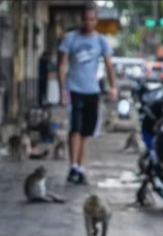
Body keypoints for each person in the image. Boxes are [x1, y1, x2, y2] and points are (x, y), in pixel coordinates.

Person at [58, 2, 117, 185]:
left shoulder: (101, 41)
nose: (88, 23)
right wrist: (62, 90)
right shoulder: (70, 38)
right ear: (81, 19)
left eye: (92, 19)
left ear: (96, 20)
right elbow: (62, 65)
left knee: (86, 132)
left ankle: (81, 167)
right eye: (85, 19)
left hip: (93, 91)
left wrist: (113, 86)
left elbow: (108, 65)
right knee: (75, 129)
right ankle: (73, 166)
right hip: (74, 89)